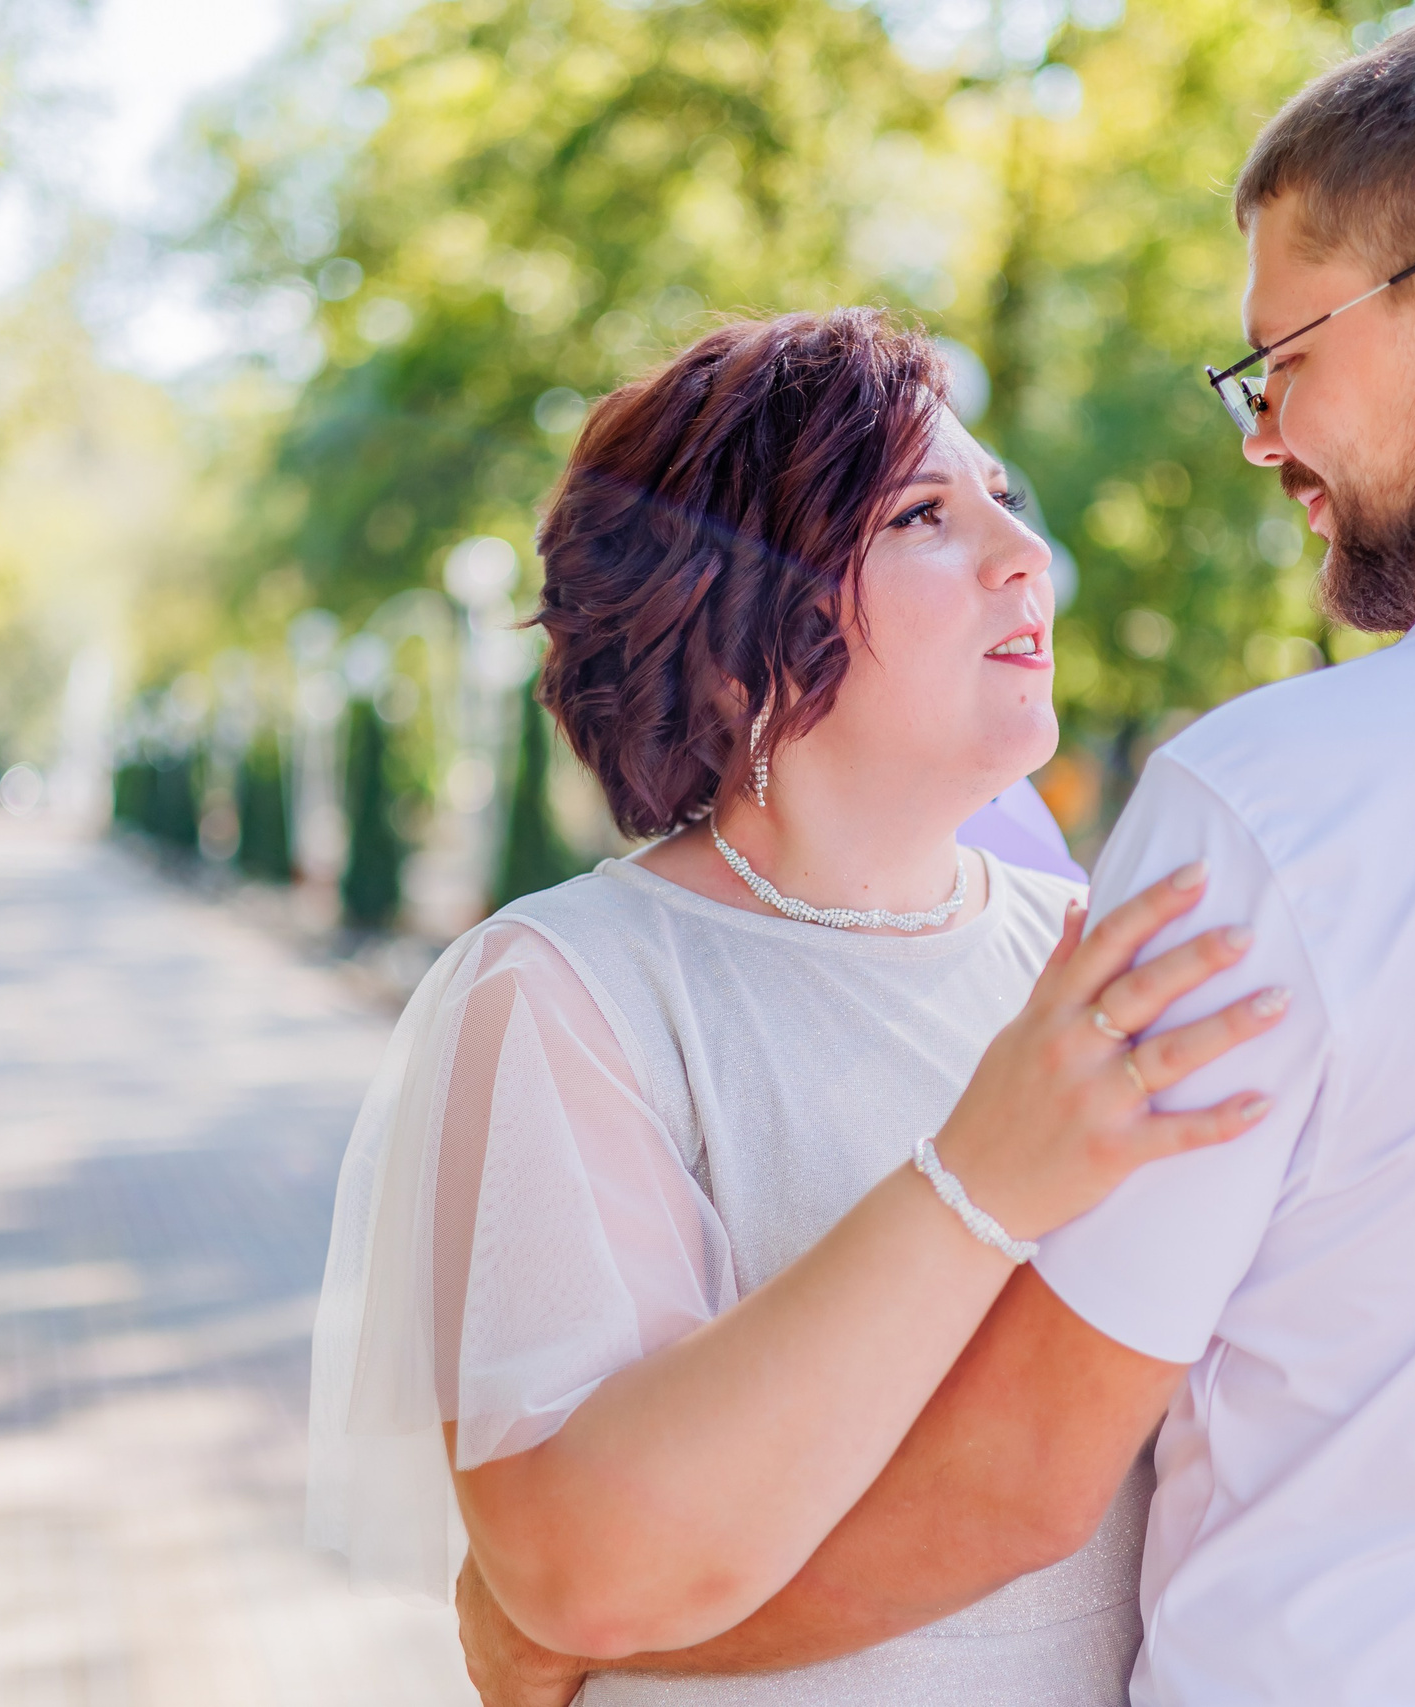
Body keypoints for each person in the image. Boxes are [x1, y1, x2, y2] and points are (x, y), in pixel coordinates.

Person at [455, 10, 1415, 1704]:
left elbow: (1021, 1484)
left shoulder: (1285, 808)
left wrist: (560, 1634)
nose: (1265, 432)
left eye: (1286, 358)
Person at [308, 307, 1288, 1704]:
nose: (1029, 561)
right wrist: (977, 1181)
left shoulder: (1088, 958)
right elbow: (583, 1569)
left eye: (1007, 504)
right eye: (924, 516)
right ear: (730, 631)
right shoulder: (569, 992)